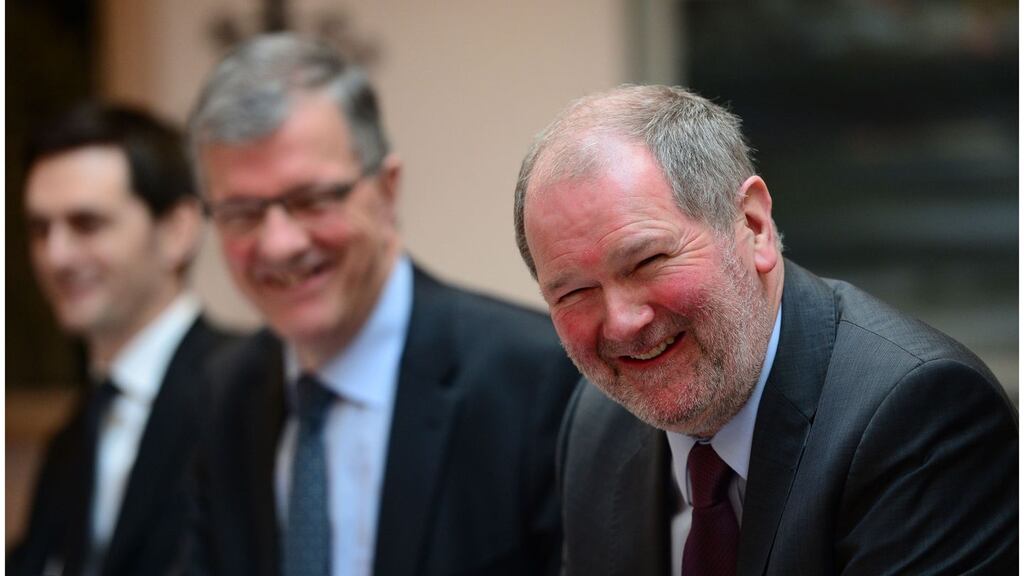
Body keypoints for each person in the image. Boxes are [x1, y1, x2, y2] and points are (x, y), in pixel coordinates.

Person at [514, 85, 1018, 575]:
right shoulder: (596, 421)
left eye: (647, 260)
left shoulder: (919, 415)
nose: (623, 323)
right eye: (573, 293)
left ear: (752, 225)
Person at [184, 33, 579, 576]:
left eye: (312, 200)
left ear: (388, 190)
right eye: (241, 212)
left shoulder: (534, 380)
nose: (278, 243)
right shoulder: (225, 393)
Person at [8, 103, 237, 576]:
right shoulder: (76, 430)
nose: (56, 256)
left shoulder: (247, 392)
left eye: (86, 224)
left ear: (177, 230)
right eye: (39, 229)